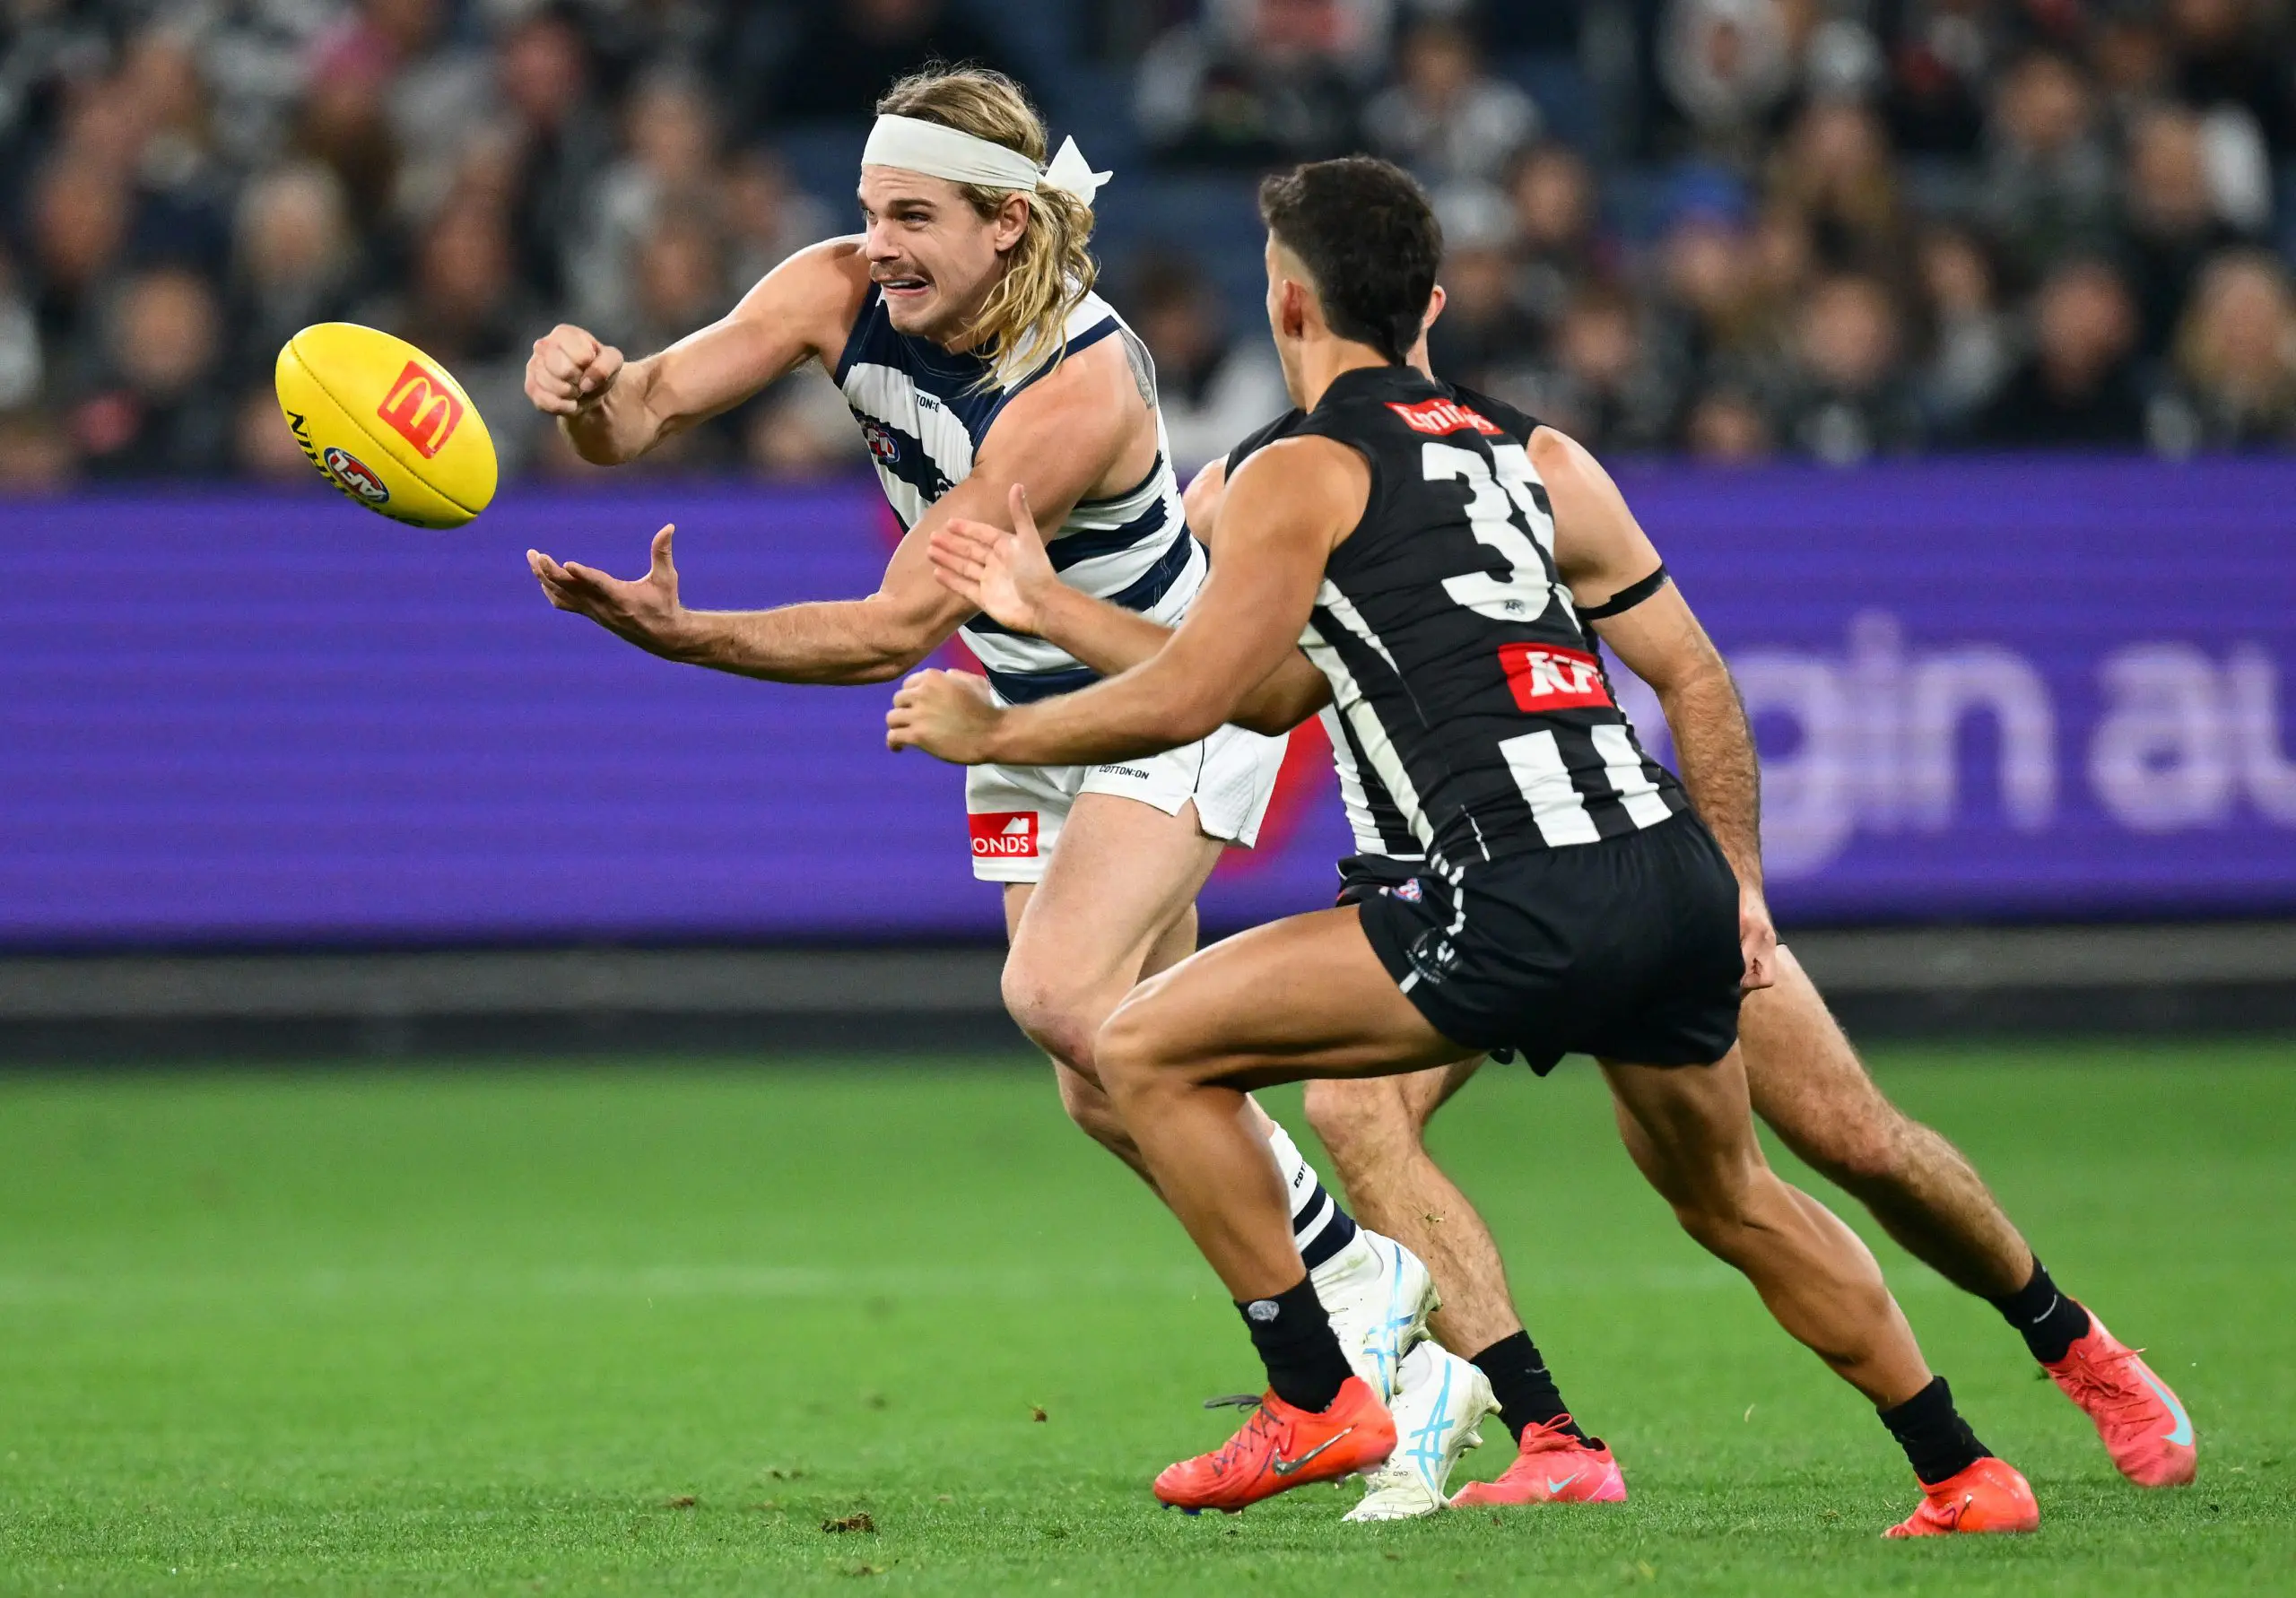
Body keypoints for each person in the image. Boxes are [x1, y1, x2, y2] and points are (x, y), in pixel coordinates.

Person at [886, 155, 2041, 1536]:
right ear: (1421, 300)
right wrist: (1052, 607)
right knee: (1736, 1197)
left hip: (1503, 890)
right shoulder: (1517, 447)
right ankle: (1964, 1468)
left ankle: (1316, 1394)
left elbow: (1201, 694)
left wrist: (994, 722)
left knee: (1135, 1045)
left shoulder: (1295, 469)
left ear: (1292, 307)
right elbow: (1273, 687)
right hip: (1662, 872)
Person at [515, 67, 1469, 1506]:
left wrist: (685, 634)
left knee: (1065, 999)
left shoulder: (1074, 388)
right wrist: (586, 392)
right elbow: (643, 412)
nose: (876, 243)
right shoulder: (837, 290)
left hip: (1162, 693)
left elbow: (899, 626)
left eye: (913, 216)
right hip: (1023, 718)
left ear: (1012, 228)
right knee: (1109, 1089)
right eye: (868, 210)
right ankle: (1388, 1335)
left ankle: (1353, 1314)